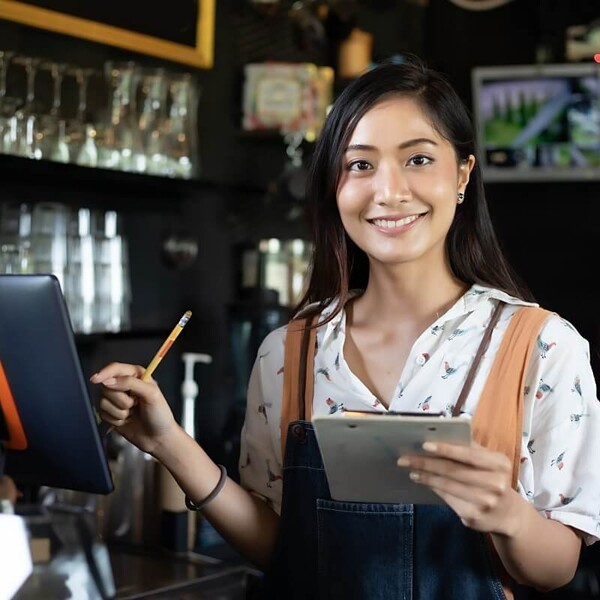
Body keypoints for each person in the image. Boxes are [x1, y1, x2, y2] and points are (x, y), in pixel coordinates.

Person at [92, 57, 600, 599]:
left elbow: (556, 567)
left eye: (419, 159)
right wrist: (168, 443)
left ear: (462, 175)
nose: (388, 191)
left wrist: (509, 515)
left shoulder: (541, 346)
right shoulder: (288, 351)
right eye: (360, 165)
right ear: (335, 186)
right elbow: (278, 547)